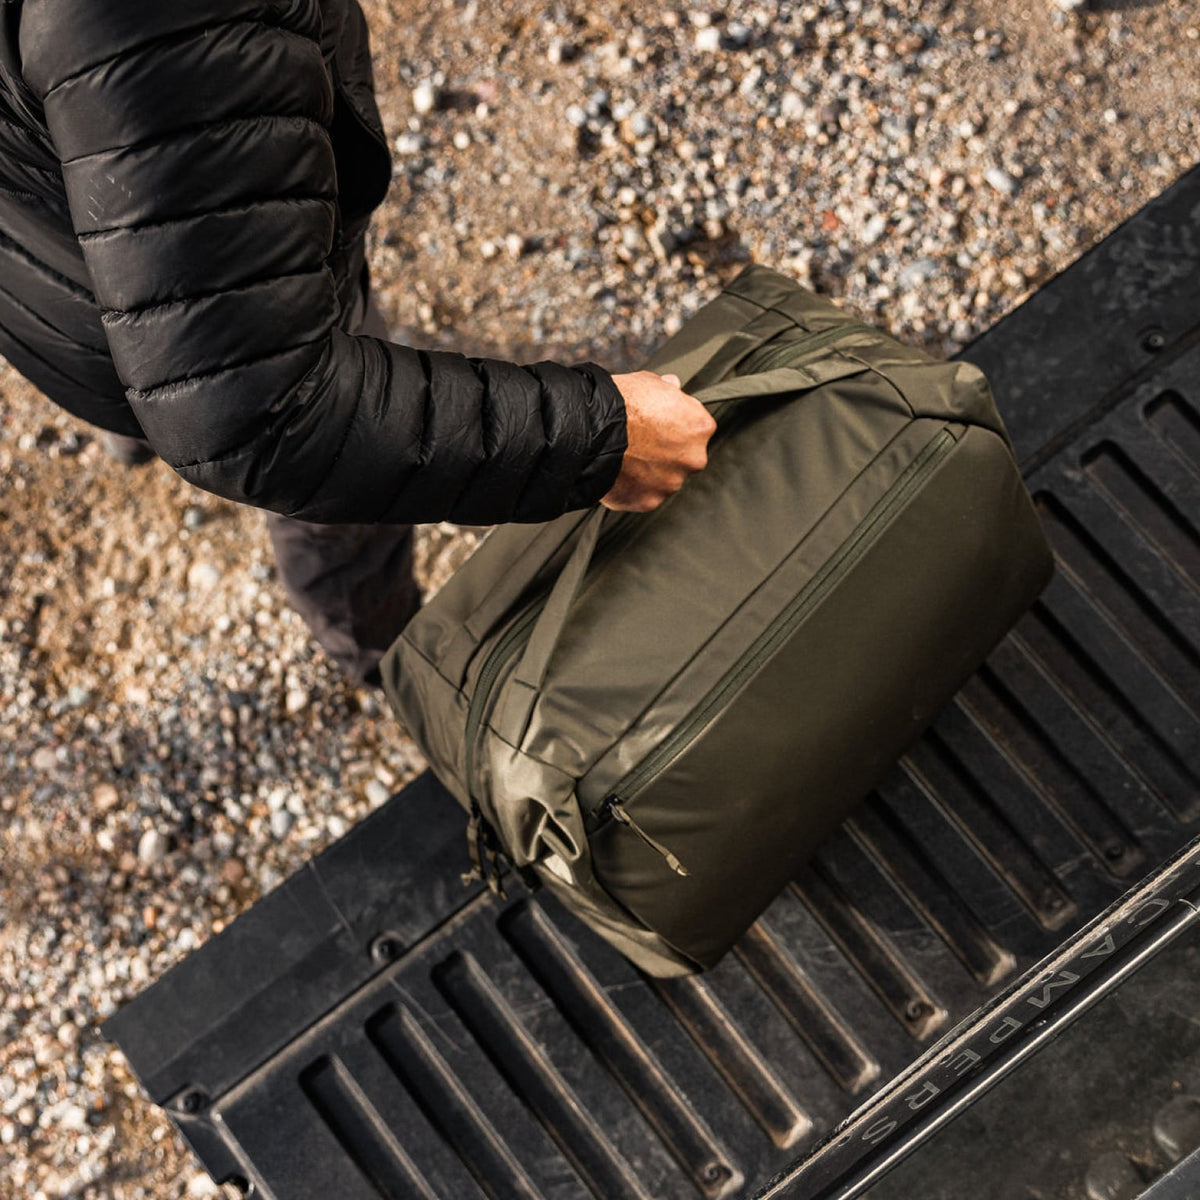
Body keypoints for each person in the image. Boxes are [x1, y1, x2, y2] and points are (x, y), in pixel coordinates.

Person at [0, 0, 716, 684]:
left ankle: (131, 424)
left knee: (151, 347)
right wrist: (604, 440)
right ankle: (384, 654)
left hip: (46, 289)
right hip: (117, 306)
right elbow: (271, 415)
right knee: (333, 485)